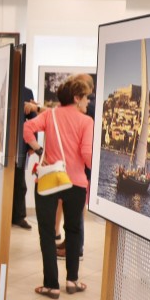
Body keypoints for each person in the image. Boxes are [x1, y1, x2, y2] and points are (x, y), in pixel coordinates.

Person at [24, 76, 93, 298]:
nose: (88, 102)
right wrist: (96, 170)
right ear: (76, 97)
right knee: (73, 231)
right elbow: (86, 154)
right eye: (86, 98)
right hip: (76, 183)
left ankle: (51, 285)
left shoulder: (50, 115)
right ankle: (72, 281)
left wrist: (38, 149)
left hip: (50, 180)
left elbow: (27, 128)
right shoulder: (86, 122)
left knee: (46, 232)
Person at [57, 72, 95, 259]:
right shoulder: (84, 110)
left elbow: (87, 149)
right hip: (80, 168)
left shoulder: (89, 110)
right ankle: (70, 243)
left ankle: (76, 248)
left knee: (77, 211)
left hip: (83, 170)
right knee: (73, 211)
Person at [11, 87, 37, 230]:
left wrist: (32, 144)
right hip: (0, 144)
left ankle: (19, 216)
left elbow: (33, 119)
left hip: (20, 144)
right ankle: (2, 214)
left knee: (20, 182)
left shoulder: (26, 92)